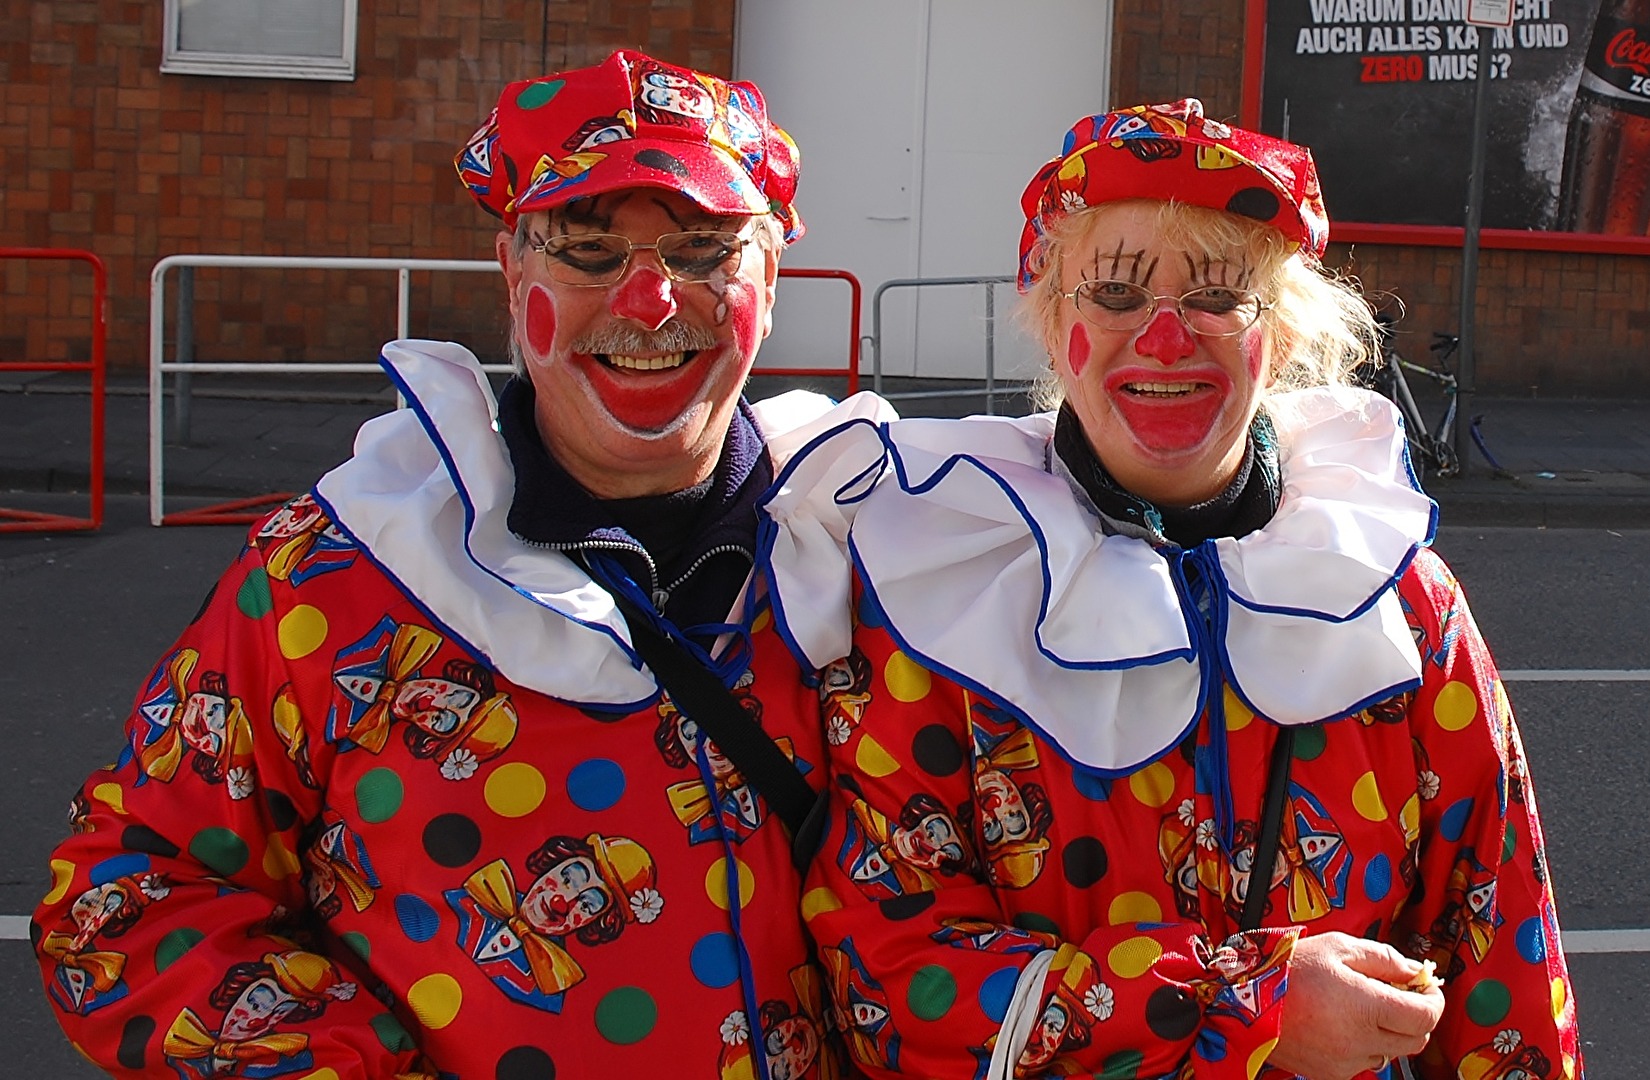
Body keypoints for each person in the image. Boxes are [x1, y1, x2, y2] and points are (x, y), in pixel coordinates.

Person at [34, 49, 889, 1077]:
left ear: (773, 273)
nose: (653, 302)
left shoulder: (885, 550)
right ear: (513, 272)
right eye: (586, 249)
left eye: (704, 248)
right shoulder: (342, 574)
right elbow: (129, 898)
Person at [759, 99, 1582, 1078]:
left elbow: (1505, 971)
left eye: (1217, 295)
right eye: (1113, 290)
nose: (1163, 338)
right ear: (1053, 319)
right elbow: (888, 983)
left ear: (1275, 334)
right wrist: (1244, 1009)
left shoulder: (1403, 603)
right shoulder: (935, 594)